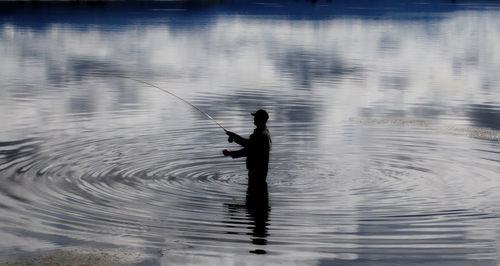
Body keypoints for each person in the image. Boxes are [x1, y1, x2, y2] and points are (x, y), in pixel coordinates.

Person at [222, 109, 272, 186]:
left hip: (256, 170)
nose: (254, 119)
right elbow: (250, 144)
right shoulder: (265, 132)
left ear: (260, 119)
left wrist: (230, 153)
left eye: (256, 117)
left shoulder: (259, 135)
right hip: (261, 170)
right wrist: (234, 136)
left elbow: (249, 150)